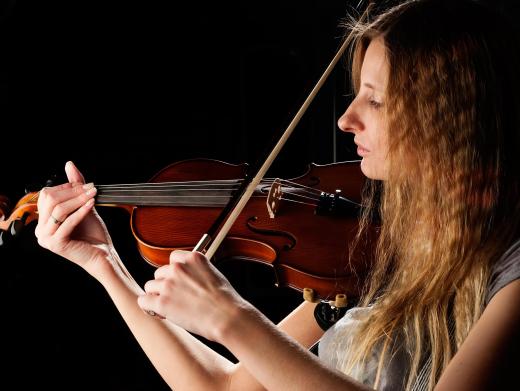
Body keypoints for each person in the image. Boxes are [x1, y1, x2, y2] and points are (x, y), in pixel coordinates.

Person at [35, 0, 520, 390]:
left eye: (375, 99)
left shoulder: (511, 275)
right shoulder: (374, 249)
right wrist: (106, 265)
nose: (346, 119)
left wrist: (234, 319)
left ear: (451, 118)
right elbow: (222, 387)